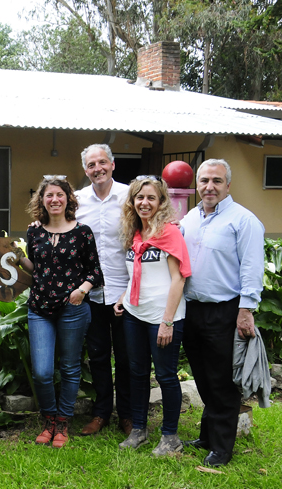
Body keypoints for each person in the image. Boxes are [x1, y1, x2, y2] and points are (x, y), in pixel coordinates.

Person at [180, 159, 265, 467]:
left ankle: (222, 447)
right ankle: (207, 434)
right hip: (192, 310)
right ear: (197, 184)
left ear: (228, 185)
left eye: (216, 181)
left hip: (224, 311)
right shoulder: (190, 217)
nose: (209, 186)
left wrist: (246, 310)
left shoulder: (244, 220)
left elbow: (252, 267)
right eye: (204, 180)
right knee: (202, 376)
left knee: (221, 381)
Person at [19, 176, 103, 448]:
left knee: (69, 367)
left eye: (59, 194)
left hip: (72, 308)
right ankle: (48, 419)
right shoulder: (34, 232)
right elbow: (37, 268)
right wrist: (17, 258)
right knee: (42, 371)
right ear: (41, 200)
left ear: (68, 198)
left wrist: (82, 289)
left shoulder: (83, 232)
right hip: (40, 308)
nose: (54, 199)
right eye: (49, 195)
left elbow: (95, 271)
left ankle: (63, 422)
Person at [113, 176, 191, 456]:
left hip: (163, 316)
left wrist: (167, 321)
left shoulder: (169, 233)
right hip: (134, 314)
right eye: (139, 198)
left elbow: (178, 280)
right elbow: (139, 273)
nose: (144, 203)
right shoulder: (135, 233)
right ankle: (139, 431)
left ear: (161, 202)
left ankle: (170, 437)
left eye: (151, 198)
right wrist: (124, 297)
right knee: (137, 373)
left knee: (167, 376)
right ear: (132, 202)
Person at [75, 144, 133, 436]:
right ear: (85, 170)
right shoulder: (77, 200)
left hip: (125, 292)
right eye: (90, 165)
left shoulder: (128, 196)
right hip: (91, 292)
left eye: (101, 162)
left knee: (125, 357)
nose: (97, 168)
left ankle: (127, 414)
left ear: (112, 164)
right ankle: (100, 413)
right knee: (97, 355)